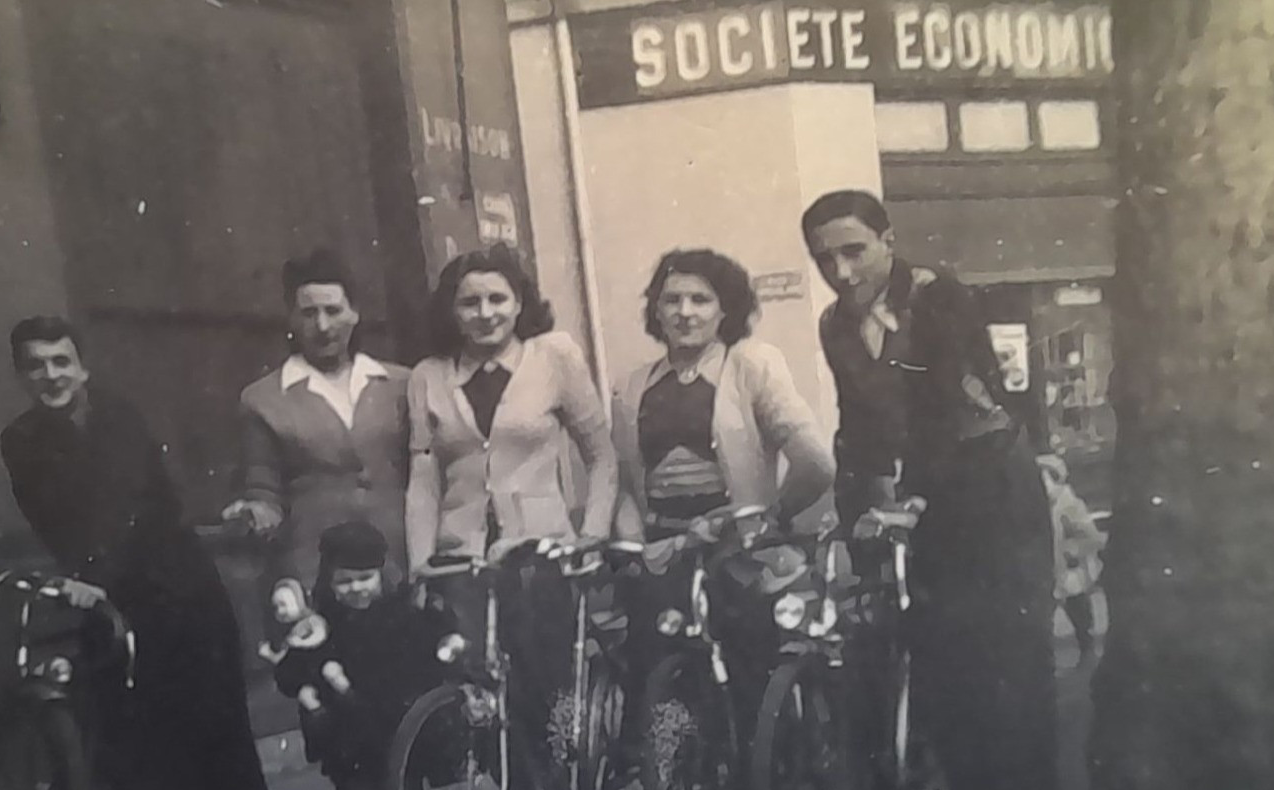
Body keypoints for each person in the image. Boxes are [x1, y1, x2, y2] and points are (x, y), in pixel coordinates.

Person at [801, 190, 1059, 790]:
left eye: (854, 250)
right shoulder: (835, 324)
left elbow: (943, 402)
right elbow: (859, 427)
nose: (842, 270)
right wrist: (855, 512)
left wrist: (912, 499)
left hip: (992, 494)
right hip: (924, 506)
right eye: (825, 257)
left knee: (1009, 675)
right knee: (945, 679)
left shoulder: (937, 296)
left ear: (887, 239)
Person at [0, 316, 270, 790]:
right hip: (109, 593)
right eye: (36, 365)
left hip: (175, 583)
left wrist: (90, 576)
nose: (51, 375)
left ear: (83, 367)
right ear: (21, 374)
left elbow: (124, 507)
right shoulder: (19, 440)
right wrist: (80, 577)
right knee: (140, 722)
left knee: (204, 714)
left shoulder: (117, 418)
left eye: (61, 361)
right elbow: (50, 517)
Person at [611, 249, 837, 730]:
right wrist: (631, 546)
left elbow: (815, 461)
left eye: (700, 299)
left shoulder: (751, 366)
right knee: (670, 687)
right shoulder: (634, 386)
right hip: (667, 553)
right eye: (671, 300)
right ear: (655, 310)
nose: (685, 312)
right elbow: (628, 483)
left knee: (750, 681)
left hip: (739, 554)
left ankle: (772, 784)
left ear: (726, 309)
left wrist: (770, 519)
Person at [405, 243, 617, 743]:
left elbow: (601, 455)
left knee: (547, 685)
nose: (485, 314)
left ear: (520, 302)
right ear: (451, 311)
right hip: (464, 561)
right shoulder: (428, 376)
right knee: (480, 688)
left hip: (542, 554)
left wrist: (591, 534)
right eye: (470, 303)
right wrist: (421, 563)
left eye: (498, 299)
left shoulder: (554, 356)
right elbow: (424, 476)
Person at [270, 520, 450, 790]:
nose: (356, 590)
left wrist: (445, 642)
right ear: (329, 582)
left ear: (382, 574)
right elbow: (292, 669)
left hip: (397, 727)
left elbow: (429, 647)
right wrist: (308, 687)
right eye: (344, 582)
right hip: (346, 734)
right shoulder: (320, 625)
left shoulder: (402, 615)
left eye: (365, 578)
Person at [223, 249, 411, 589]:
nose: (322, 326)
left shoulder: (401, 384)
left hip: (397, 562)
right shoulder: (263, 399)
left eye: (333, 311)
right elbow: (263, 488)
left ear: (355, 314)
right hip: (317, 568)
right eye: (309, 313)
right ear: (292, 319)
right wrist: (254, 512)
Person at [1037, 452, 1105, 663]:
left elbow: (1091, 536)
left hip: (1069, 572)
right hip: (1045, 572)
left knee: (1078, 613)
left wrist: (1071, 550)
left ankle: (1087, 648)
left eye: (1043, 479)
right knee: (1043, 620)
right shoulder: (1037, 507)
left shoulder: (1067, 503)